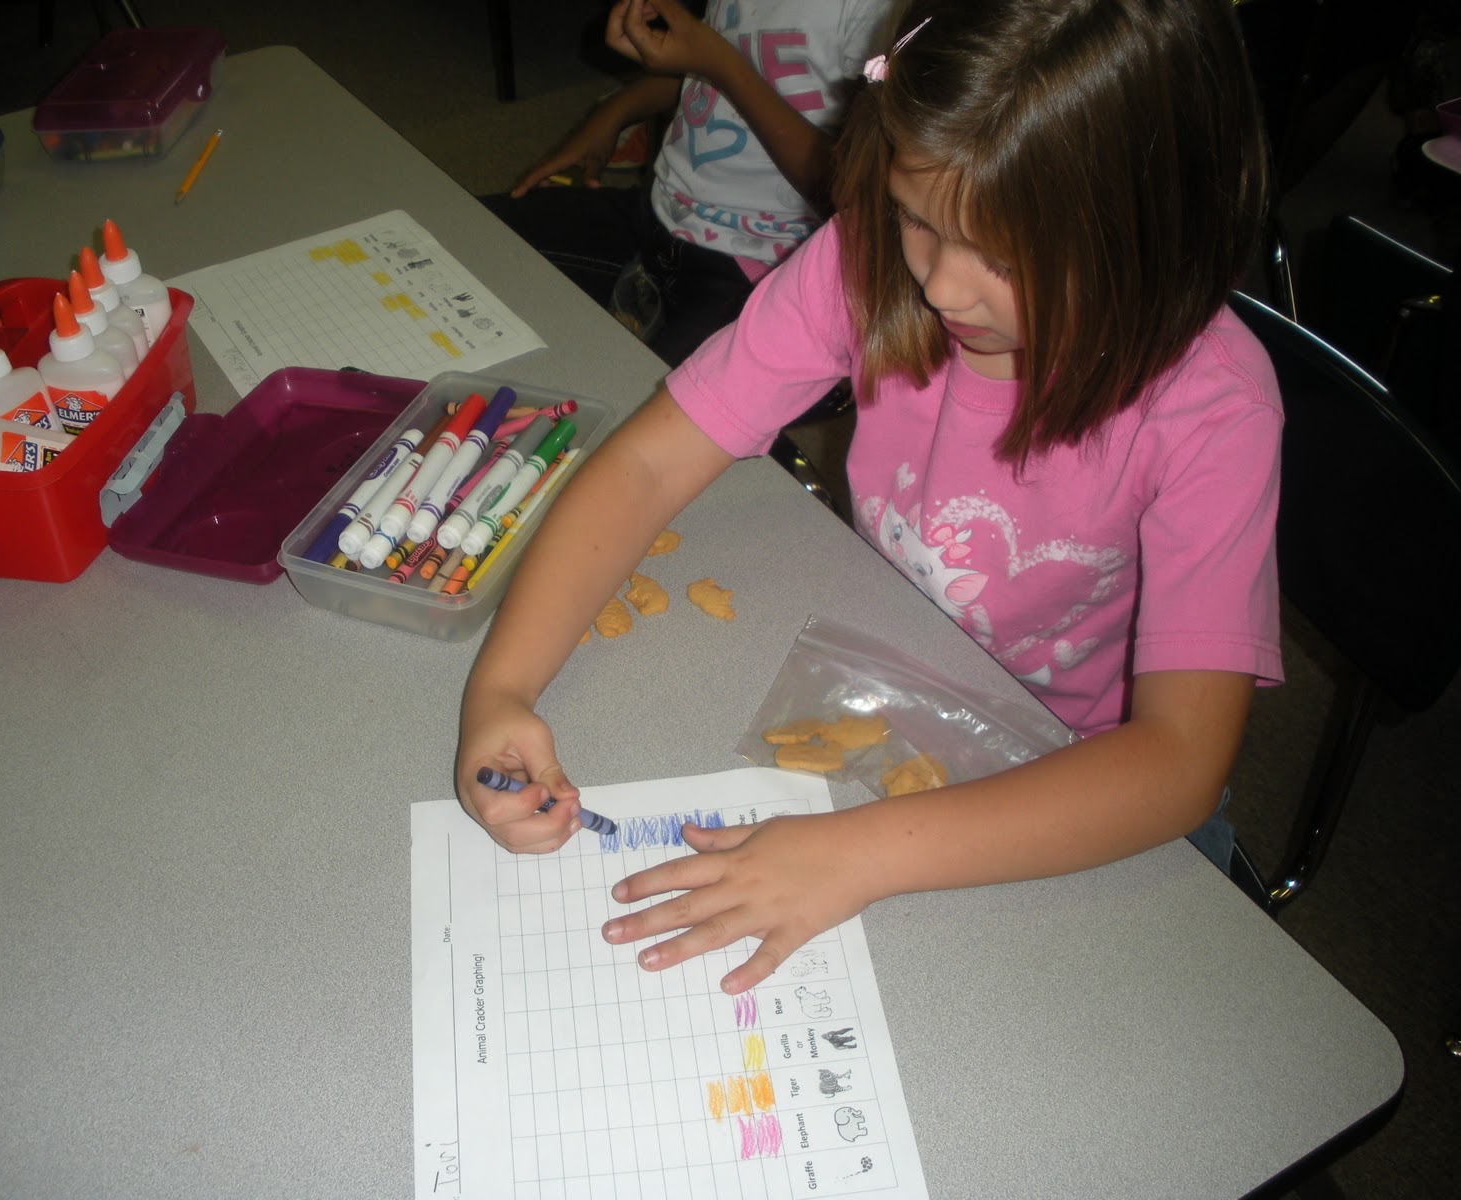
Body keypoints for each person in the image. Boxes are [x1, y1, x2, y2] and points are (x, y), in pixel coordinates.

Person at [456, 0, 1282, 996]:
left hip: (1078, 764)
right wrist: (501, 691)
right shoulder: (867, 257)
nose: (940, 287)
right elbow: (646, 466)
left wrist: (854, 854)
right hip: (892, 671)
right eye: (916, 217)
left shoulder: (1212, 409)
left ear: (1156, 235)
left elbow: (1179, 764)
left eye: (1003, 259)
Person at [481, 0, 893, 366]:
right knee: (467, 235)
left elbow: (851, 191)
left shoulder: (878, 11)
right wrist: (615, 113)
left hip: (761, 267)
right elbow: (708, 66)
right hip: (658, 214)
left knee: (639, 412)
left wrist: (720, 64)